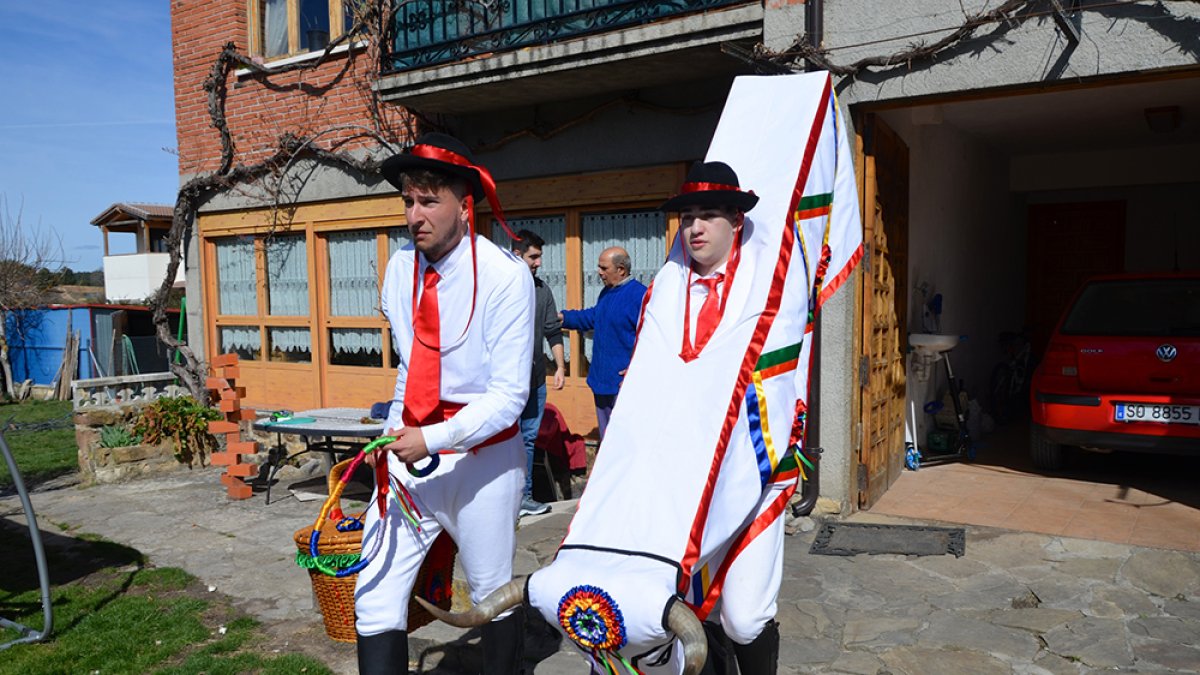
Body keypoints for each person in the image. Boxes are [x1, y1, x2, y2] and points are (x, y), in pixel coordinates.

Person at [354, 132, 533, 675]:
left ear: (464, 205)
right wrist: (393, 434)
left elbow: (510, 397)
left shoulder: (506, 276)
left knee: (490, 596)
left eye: (429, 201)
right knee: (373, 596)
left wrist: (432, 438)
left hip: (482, 461)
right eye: (408, 201)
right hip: (409, 453)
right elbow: (409, 364)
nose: (415, 216)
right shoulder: (398, 268)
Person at [660, 160, 780, 673]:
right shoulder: (665, 291)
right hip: (686, 475)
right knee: (689, 605)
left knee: (746, 617)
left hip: (753, 468)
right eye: (687, 217)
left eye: (708, 215)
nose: (695, 227)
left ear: (736, 220)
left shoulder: (766, 288)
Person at [559, 246, 646, 439]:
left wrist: (638, 368)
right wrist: (564, 318)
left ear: (621, 270)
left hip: (623, 385)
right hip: (601, 381)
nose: (599, 272)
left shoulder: (640, 296)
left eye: (604, 268)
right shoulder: (607, 292)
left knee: (626, 439)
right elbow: (594, 317)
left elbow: (652, 339)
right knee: (607, 438)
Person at [511, 229, 565, 517]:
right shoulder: (501, 287)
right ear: (517, 255)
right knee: (504, 440)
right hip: (506, 382)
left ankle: (524, 497)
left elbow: (552, 331)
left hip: (535, 379)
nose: (538, 262)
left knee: (528, 438)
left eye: (539, 257)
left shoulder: (542, 290)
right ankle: (503, 499)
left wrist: (560, 367)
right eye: (533, 257)